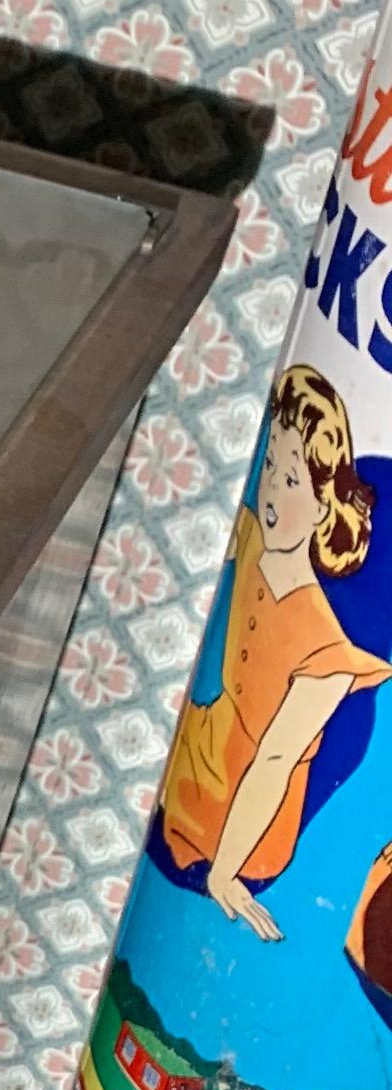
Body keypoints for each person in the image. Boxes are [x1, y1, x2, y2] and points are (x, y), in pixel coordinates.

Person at [153, 363, 385, 941]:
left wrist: (224, 875)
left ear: (325, 503)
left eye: (292, 480)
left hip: (241, 822)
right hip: (198, 752)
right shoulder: (254, 537)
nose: (275, 490)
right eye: (273, 466)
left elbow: (275, 762)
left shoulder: (326, 648)